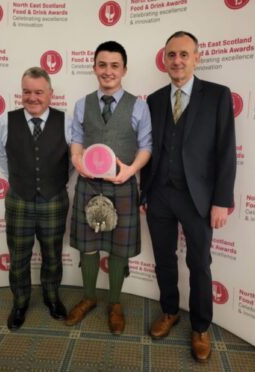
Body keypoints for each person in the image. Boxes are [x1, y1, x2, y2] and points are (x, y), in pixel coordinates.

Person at [140, 31, 236, 361]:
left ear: (197, 57)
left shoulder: (218, 96)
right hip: (159, 195)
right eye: (171, 55)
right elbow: (147, 150)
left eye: (183, 54)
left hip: (199, 198)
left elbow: (225, 152)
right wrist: (144, 194)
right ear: (164, 60)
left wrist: (222, 200)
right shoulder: (152, 100)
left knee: (199, 264)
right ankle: (170, 311)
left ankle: (200, 327)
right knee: (164, 258)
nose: (177, 61)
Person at [66, 41, 152, 335]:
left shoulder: (139, 106)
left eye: (115, 65)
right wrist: (77, 159)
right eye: (102, 65)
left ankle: (114, 303)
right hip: (88, 185)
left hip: (123, 186)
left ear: (124, 70)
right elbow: (76, 137)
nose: (108, 71)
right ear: (94, 68)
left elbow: (146, 146)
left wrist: (131, 169)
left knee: (119, 250)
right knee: (88, 250)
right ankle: (89, 297)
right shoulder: (82, 104)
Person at [0, 67, 70, 330]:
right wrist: (20, 180)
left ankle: (52, 297)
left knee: (52, 254)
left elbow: (71, 161)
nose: (33, 97)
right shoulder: (6, 121)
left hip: (54, 200)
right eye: (27, 92)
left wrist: (53, 181)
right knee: (18, 257)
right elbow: (2, 158)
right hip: (19, 200)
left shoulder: (67, 121)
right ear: (21, 93)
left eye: (39, 92)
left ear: (50, 94)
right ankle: (20, 303)